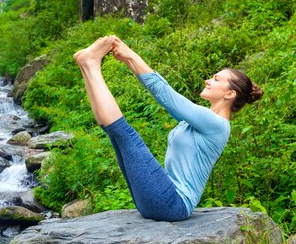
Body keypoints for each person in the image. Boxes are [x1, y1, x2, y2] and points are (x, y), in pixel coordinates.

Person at [73, 36, 263, 221]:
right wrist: (127, 60)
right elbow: (161, 94)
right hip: (163, 199)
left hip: (173, 203)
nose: (208, 80)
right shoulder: (196, 122)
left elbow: (165, 93)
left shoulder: (217, 125)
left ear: (230, 93)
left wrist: (131, 55)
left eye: (216, 79)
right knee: (115, 133)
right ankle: (87, 67)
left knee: (125, 133)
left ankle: (91, 65)